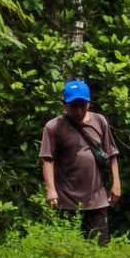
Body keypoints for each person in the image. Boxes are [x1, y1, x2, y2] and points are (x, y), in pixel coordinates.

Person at [39, 79, 121, 245]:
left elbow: (111, 154)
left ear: (89, 103)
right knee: (68, 248)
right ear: (64, 105)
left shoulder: (99, 121)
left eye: (83, 106)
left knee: (99, 247)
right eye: (73, 106)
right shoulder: (53, 127)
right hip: (67, 200)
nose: (78, 111)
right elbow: (47, 159)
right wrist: (51, 190)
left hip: (96, 200)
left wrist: (116, 184)